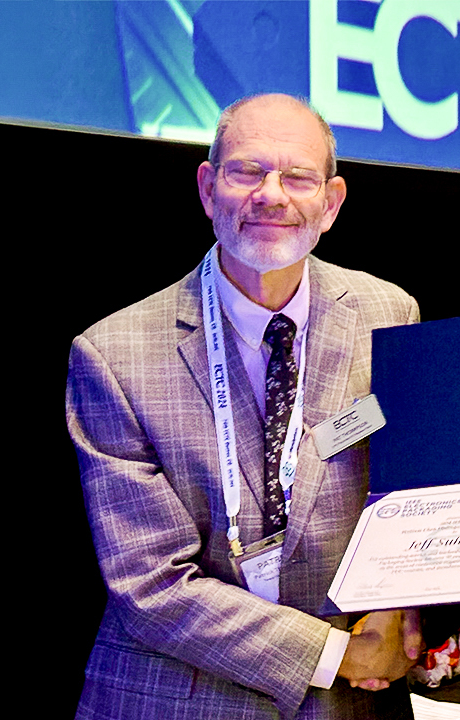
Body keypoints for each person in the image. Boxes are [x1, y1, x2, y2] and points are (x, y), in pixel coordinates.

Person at [67, 94, 426, 720]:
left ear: (332, 203)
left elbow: (410, 490)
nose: (272, 194)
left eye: (298, 177)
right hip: (180, 698)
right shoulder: (113, 355)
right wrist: (337, 654)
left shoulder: (389, 316)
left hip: (352, 705)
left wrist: (404, 606)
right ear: (208, 189)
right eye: (246, 171)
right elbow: (151, 585)